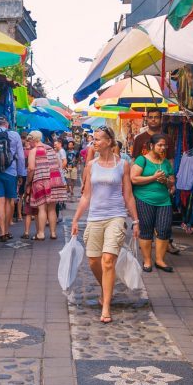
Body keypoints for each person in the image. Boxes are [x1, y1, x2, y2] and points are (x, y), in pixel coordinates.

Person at [71, 126, 140, 324]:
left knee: (108, 260)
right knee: (94, 260)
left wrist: (135, 220)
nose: (95, 142)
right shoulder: (91, 166)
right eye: (94, 139)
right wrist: (76, 219)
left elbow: (128, 195)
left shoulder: (123, 165)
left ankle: (106, 306)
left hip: (116, 216)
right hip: (94, 217)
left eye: (99, 139)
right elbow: (86, 196)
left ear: (110, 142)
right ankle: (106, 287)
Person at [130, 133, 175, 273]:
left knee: (164, 229)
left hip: (164, 201)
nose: (163, 148)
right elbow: (134, 179)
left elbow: (172, 182)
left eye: (164, 145)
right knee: (146, 229)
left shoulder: (165, 162)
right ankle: (147, 260)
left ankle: (160, 260)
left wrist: (166, 181)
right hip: (144, 199)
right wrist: (153, 177)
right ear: (151, 146)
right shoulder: (141, 160)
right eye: (160, 145)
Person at [26, 131, 68, 240]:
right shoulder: (51, 149)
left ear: (33, 140)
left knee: (42, 209)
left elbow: (31, 169)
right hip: (54, 179)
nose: (28, 143)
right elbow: (59, 164)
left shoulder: (33, 151)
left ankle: (41, 233)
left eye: (29, 140)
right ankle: (53, 233)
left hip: (40, 180)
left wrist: (28, 182)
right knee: (52, 209)